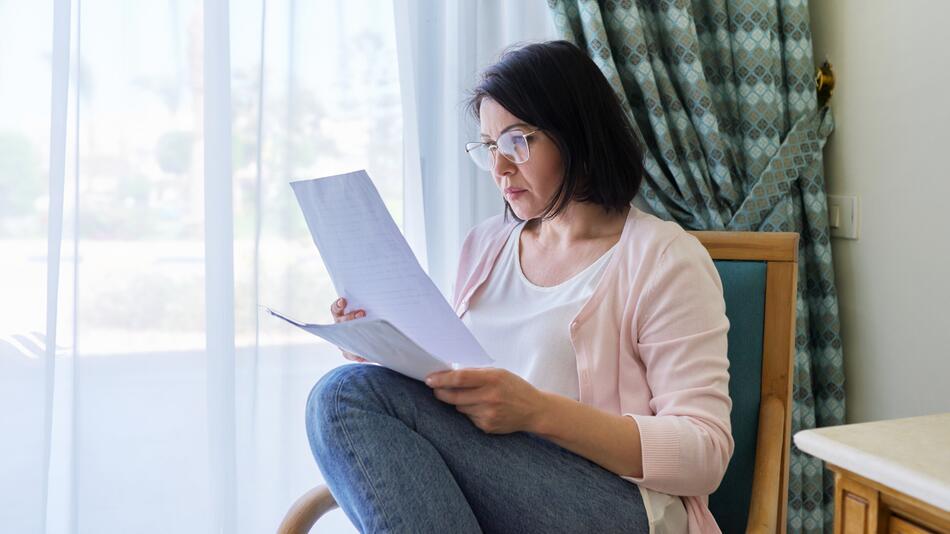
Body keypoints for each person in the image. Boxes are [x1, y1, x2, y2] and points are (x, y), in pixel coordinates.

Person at [306, 40, 732, 534]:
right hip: (502, 495)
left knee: (341, 397)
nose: (500, 167)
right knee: (347, 392)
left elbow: (706, 453)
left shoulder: (664, 259)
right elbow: (456, 380)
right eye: (489, 147)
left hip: (620, 508)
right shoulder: (485, 246)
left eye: (516, 142)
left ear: (578, 135)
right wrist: (383, 344)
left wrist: (536, 412)